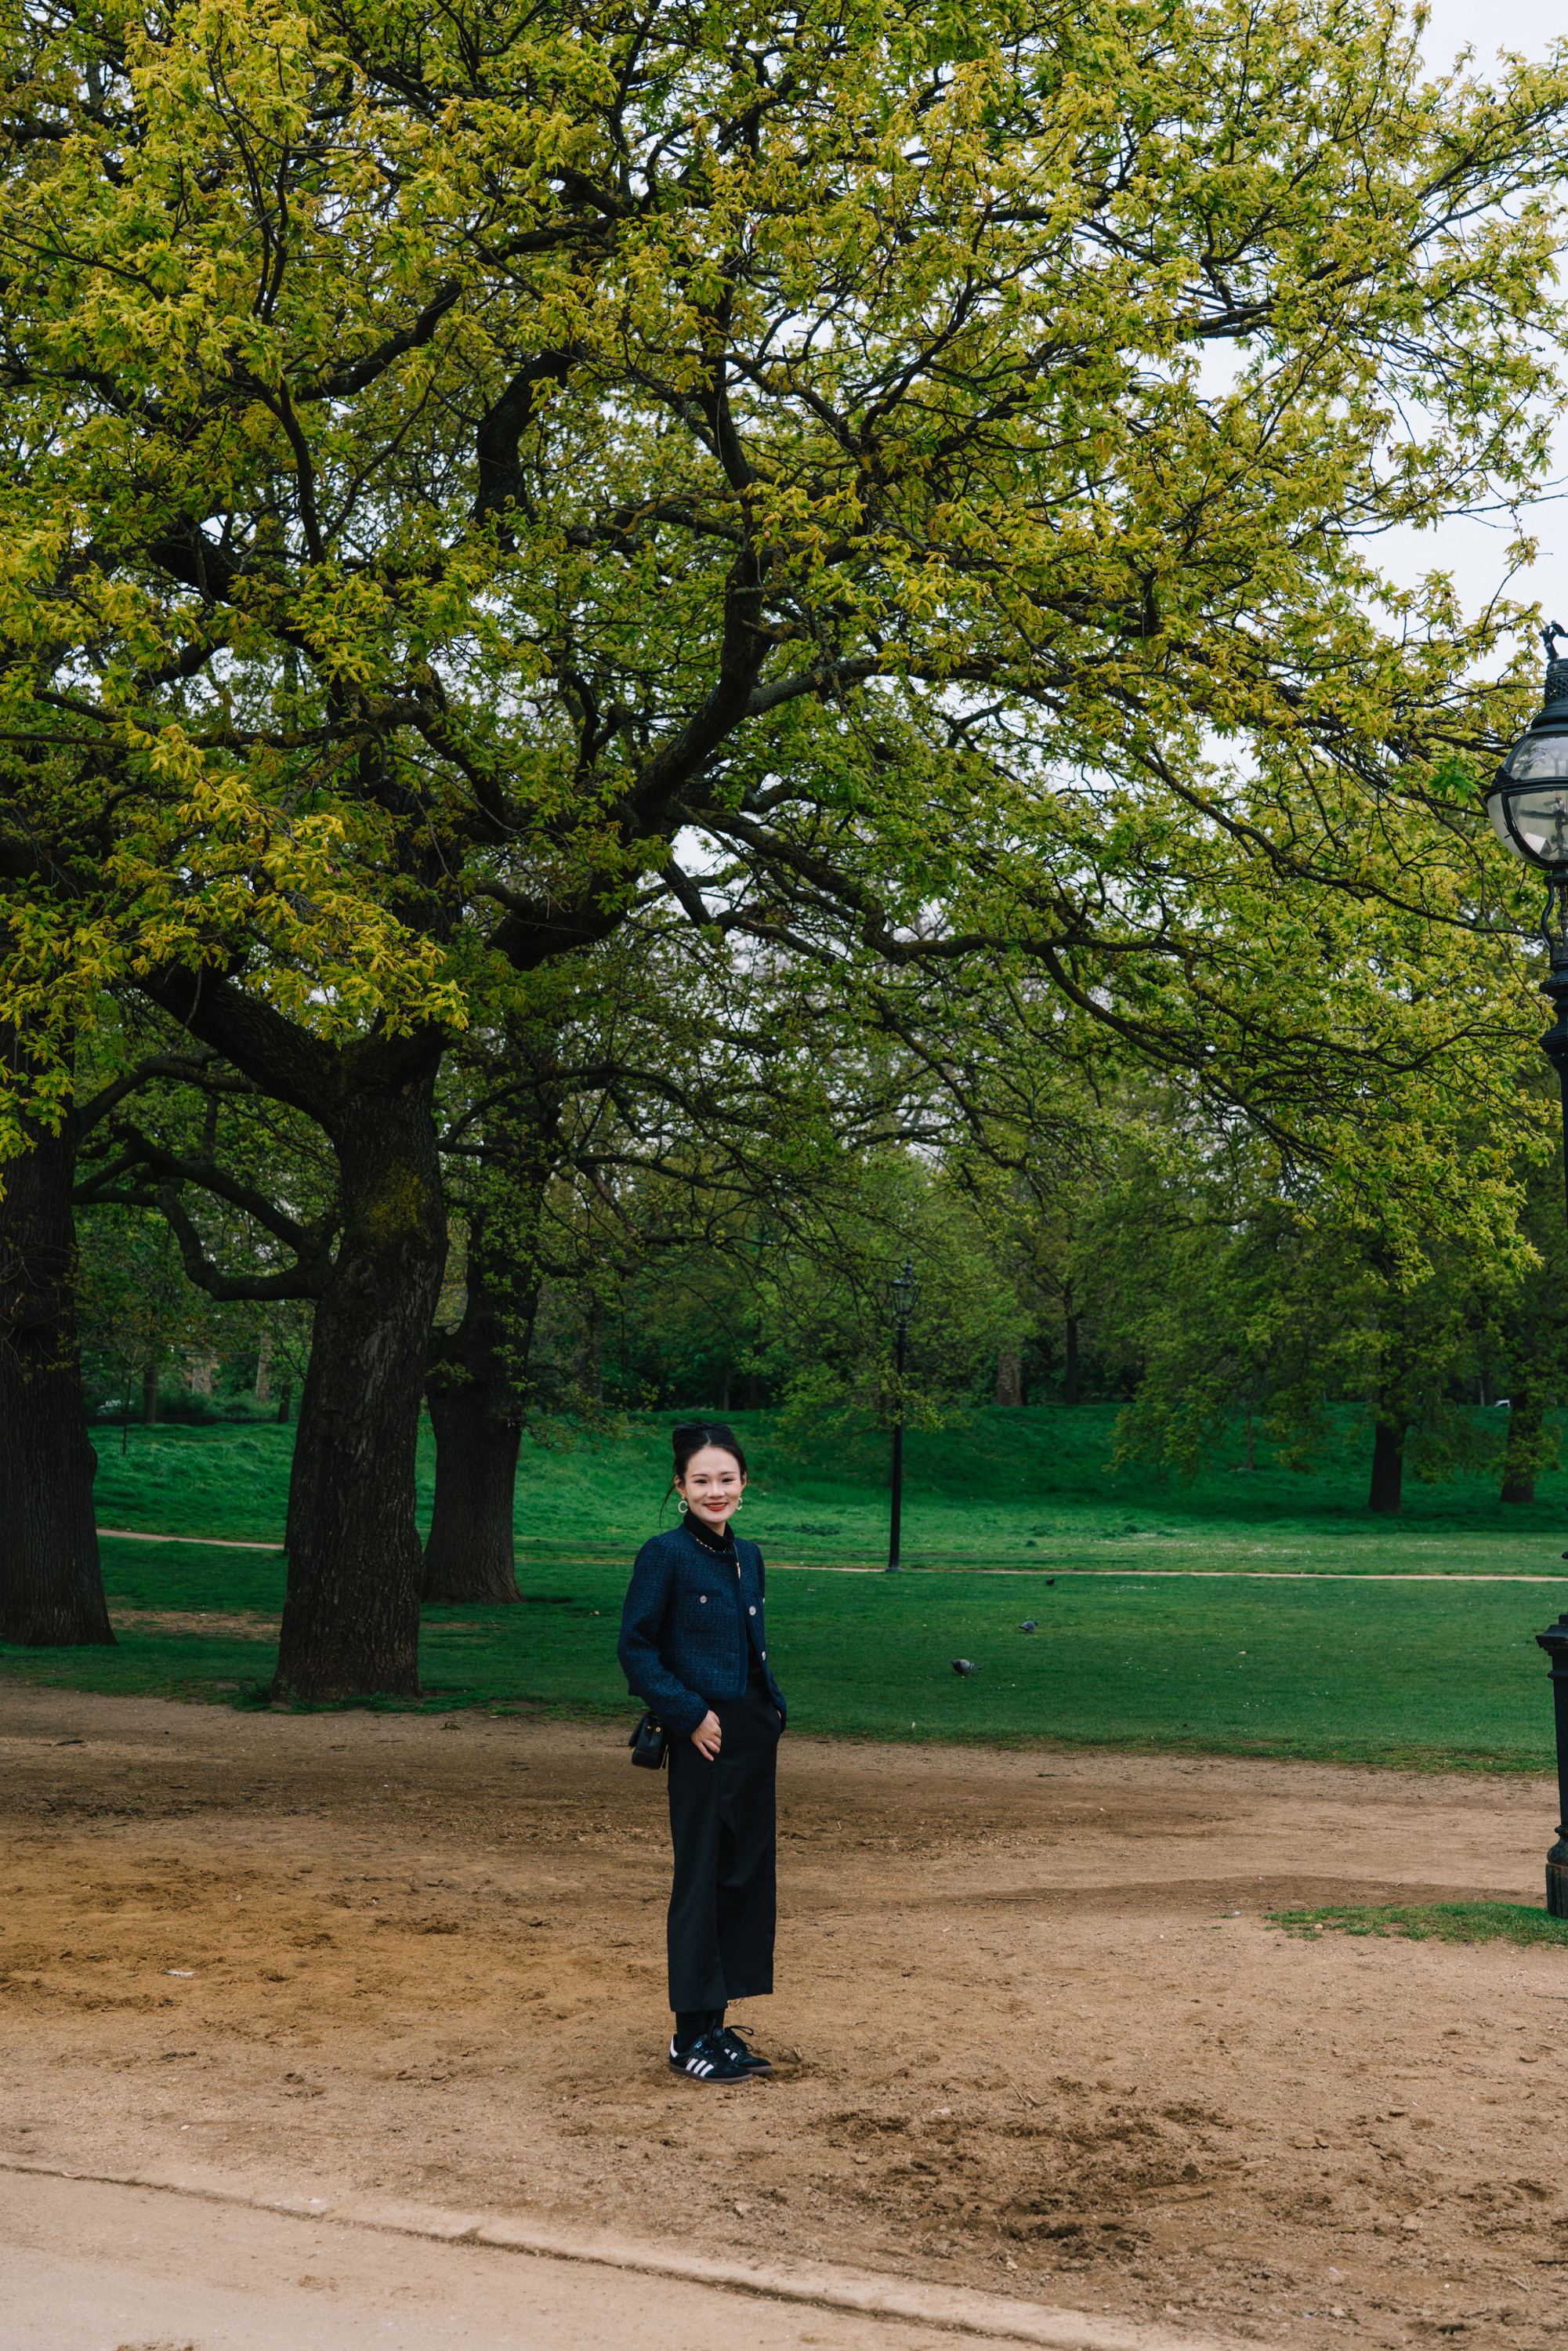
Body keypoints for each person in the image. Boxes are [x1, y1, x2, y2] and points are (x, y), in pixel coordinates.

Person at [618, 1418, 787, 2085]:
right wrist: (687, 1713)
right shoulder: (664, 1554)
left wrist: (772, 1711)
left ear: (744, 1484)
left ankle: (717, 2028)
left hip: (752, 1736)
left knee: (743, 1877)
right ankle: (688, 2037)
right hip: (703, 1738)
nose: (715, 1491)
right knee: (701, 1879)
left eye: (726, 1479)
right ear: (680, 1487)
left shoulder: (749, 1555)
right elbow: (636, 1648)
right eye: (700, 1481)